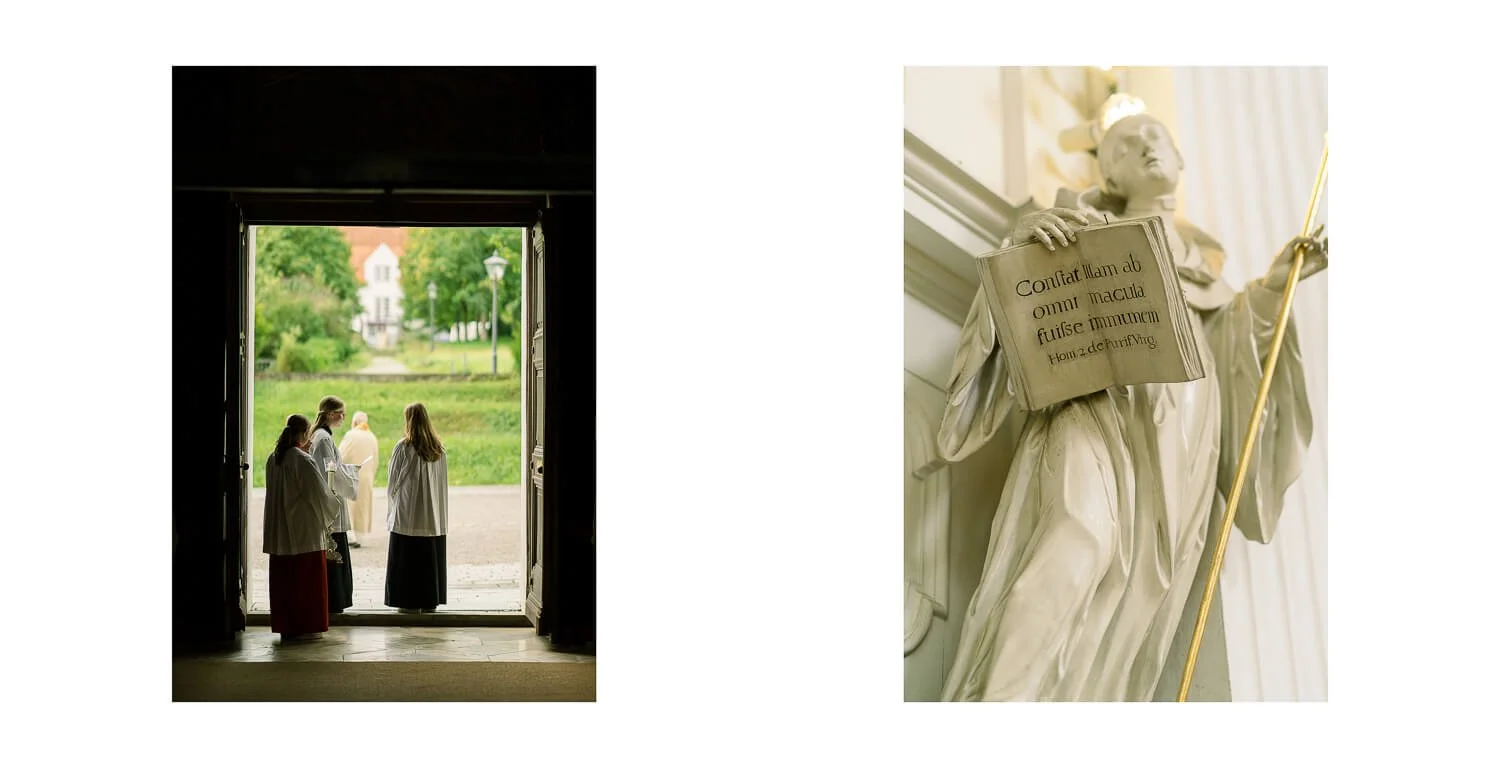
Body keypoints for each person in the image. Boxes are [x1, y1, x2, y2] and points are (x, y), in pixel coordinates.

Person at [936, 113, 1328, 701]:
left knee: (1138, 596)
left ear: (1179, 159)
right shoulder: (1077, 228)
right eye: (1124, 145)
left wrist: (1274, 288)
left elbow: (1230, 351)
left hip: (1182, 444)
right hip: (1096, 406)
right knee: (1076, 536)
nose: (1144, 146)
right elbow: (1022, 315)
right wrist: (1027, 249)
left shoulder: (1205, 275)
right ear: (1108, 174)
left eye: (1155, 138)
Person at [262, 414, 343, 640]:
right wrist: (333, 504)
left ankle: (287, 625)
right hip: (303, 530)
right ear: (306, 433)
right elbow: (318, 494)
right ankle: (306, 626)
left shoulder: (273, 458)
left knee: (285, 583)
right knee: (304, 584)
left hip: (280, 531)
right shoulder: (302, 460)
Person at [384, 402, 450, 613]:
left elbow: (393, 481)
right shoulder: (438, 448)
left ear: (409, 421)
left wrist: (392, 503)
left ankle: (407, 601)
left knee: (407, 557)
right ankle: (430, 600)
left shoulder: (403, 447)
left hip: (408, 513)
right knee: (428, 557)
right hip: (432, 515)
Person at [310, 395, 361, 613]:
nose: (343, 417)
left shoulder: (323, 437)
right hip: (330, 505)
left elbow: (333, 468)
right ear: (330, 414)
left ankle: (337, 600)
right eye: (341, 413)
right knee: (334, 549)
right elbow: (328, 472)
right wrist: (351, 475)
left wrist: (347, 470)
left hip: (332, 500)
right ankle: (334, 600)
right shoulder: (322, 439)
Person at [338, 411, 379, 546]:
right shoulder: (372, 436)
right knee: (362, 508)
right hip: (367, 477)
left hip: (352, 475)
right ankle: (360, 537)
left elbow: (340, 456)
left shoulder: (351, 435)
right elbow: (376, 460)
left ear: (354, 423)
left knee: (350, 506)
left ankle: (351, 536)